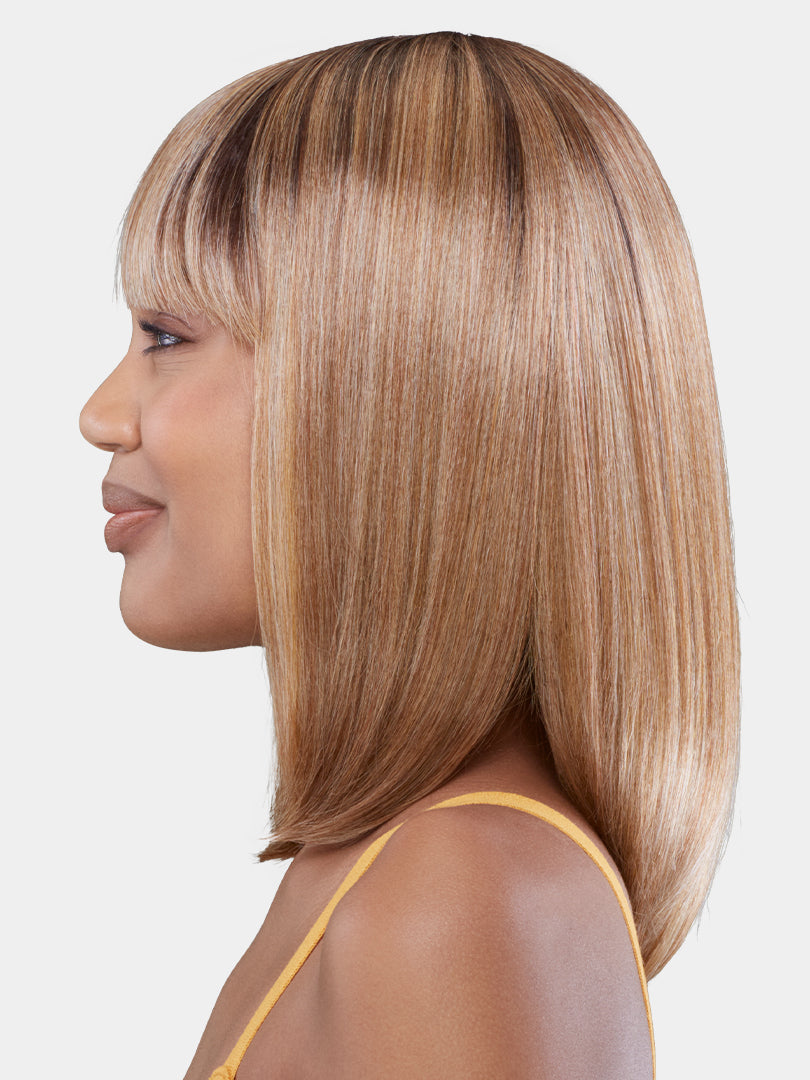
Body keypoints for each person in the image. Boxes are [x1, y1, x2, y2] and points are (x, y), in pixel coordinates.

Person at [79, 30, 739, 1080]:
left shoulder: (461, 891)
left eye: (166, 336)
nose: (101, 414)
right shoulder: (399, 866)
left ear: (392, 387)